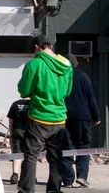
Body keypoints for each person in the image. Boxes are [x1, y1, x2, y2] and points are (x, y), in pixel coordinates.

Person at [16, 33, 72, 193]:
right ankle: (54, 190)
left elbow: (23, 90)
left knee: (31, 156)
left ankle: (27, 190)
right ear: (50, 45)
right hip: (59, 118)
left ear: (36, 47)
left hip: (38, 117)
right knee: (56, 158)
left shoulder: (34, 64)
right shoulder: (67, 64)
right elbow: (67, 91)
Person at [61, 55, 100, 188]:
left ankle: (67, 180)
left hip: (64, 117)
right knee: (83, 146)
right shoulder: (83, 77)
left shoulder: (60, 77)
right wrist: (96, 117)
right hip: (83, 118)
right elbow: (91, 98)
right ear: (76, 63)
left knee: (66, 147)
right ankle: (82, 177)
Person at [7, 97, 30, 185]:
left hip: (17, 130)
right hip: (30, 131)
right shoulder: (34, 103)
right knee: (30, 154)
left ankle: (15, 175)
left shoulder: (15, 104)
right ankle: (29, 175)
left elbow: (11, 122)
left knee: (17, 153)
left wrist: (11, 134)